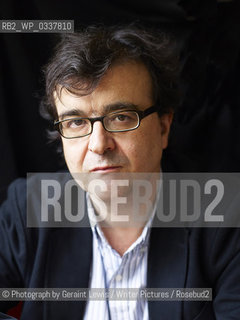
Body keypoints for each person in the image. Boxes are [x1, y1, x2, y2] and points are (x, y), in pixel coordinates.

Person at [0, 25, 240, 320]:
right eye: (76, 122)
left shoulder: (225, 219)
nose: (99, 145)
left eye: (121, 117)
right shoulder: (27, 208)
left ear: (164, 127)